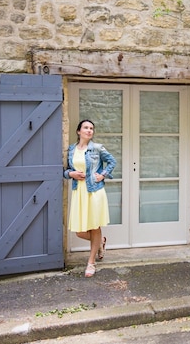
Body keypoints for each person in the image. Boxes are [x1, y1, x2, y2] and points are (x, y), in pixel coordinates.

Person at [64, 119, 117, 277]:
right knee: (80, 231)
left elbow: (112, 162)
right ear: (78, 131)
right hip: (79, 191)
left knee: (94, 227)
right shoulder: (72, 149)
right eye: (86, 128)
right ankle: (100, 242)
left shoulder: (97, 148)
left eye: (91, 128)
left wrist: (102, 175)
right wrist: (71, 174)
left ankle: (91, 263)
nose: (89, 130)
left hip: (94, 191)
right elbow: (67, 170)